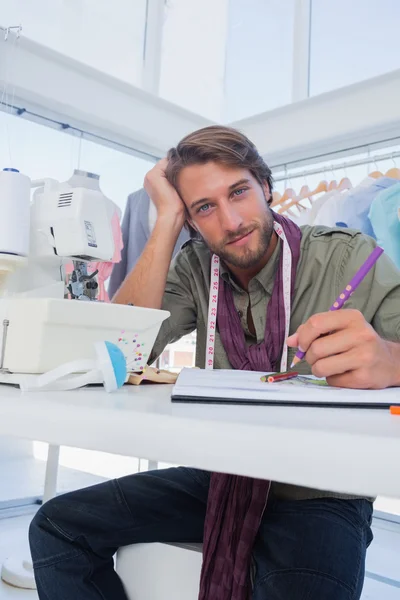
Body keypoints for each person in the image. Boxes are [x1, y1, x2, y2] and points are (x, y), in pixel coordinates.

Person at [29, 126, 400, 600]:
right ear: (191, 220)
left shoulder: (350, 258)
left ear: (265, 187)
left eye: (239, 192)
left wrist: (390, 359)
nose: (230, 221)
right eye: (204, 208)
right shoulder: (194, 266)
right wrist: (165, 220)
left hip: (319, 490)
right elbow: (116, 346)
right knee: (57, 529)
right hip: (225, 474)